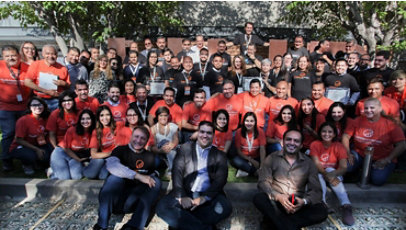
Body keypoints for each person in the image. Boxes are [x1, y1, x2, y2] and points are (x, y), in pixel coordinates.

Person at [156, 121, 232, 230]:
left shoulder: (219, 155)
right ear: (197, 133)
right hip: (187, 191)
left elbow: (220, 180)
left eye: (209, 133)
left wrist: (204, 198)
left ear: (213, 136)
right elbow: (177, 172)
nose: (205, 135)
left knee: (225, 208)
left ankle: (182, 223)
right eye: (202, 132)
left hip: (208, 193)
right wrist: (182, 196)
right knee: (162, 207)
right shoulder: (185, 149)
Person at [253, 129, 328, 230]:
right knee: (259, 198)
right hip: (277, 201)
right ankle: (289, 225)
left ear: (301, 145)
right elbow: (263, 183)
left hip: (297, 203)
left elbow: (316, 191)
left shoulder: (309, 163)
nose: (292, 143)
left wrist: (304, 201)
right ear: (283, 142)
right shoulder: (271, 158)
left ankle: (276, 223)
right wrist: (278, 196)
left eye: (296, 141)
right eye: (289, 139)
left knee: (322, 211)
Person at [93, 126, 161, 230]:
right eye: (136, 136)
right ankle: (102, 225)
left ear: (147, 141)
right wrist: (138, 176)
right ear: (131, 137)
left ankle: (134, 226)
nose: (138, 140)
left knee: (156, 182)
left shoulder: (150, 157)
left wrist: (151, 177)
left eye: (142, 138)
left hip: (132, 201)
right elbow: (112, 166)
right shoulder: (120, 150)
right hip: (115, 200)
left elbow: (154, 174)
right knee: (114, 179)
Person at [343, 98, 406, 185]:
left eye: (372, 108)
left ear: (380, 109)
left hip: (382, 157)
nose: (368, 110)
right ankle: (358, 170)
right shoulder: (357, 121)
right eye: (366, 108)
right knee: (345, 166)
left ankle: (369, 171)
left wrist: (387, 159)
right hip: (360, 154)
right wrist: (347, 153)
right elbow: (346, 136)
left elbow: (402, 145)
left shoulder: (391, 125)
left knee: (378, 180)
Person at [309, 122, 354, 226]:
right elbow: (316, 164)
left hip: (334, 174)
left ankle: (346, 205)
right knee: (319, 174)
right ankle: (322, 204)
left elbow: (343, 167)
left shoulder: (339, 146)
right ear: (320, 133)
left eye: (330, 132)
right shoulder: (315, 144)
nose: (327, 134)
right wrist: (327, 176)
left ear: (334, 134)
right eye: (324, 131)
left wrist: (331, 175)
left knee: (330, 170)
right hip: (320, 173)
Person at [0, 45, 31, 171]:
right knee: (9, 133)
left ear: (19, 55)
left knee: (25, 134)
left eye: (13, 55)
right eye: (7, 56)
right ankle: (6, 160)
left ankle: (25, 159)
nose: (10, 58)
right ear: (3, 57)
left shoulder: (27, 67)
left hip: (24, 106)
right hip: (5, 108)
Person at [10, 97, 52, 175]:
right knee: (30, 156)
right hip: (21, 146)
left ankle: (38, 163)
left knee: (47, 155)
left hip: (38, 144)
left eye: (40, 104)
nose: (38, 107)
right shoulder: (23, 120)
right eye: (34, 105)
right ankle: (26, 164)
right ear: (29, 107)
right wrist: (36, 149)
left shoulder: (46, 118)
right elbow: (18, 139)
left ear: (44, 106)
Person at [50, 109, 95, 180]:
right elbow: (66, 148)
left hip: (74, 155)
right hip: (62, 152)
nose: (85, 121)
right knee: (64, 178)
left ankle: (64, 168)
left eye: (88, 118)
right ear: (79, 120)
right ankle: (52, 172)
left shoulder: (94, 132)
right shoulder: (72, 130)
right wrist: (78, 159)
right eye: (82, 119)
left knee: (77, 177)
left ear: (92, 120)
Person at [25, 44, 71, 111]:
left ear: (57, 55)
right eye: (48, 54)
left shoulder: (62, 68)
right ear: (43, 54)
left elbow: (68, 86)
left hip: (56, 100)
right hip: (40, 99)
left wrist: (63, 84)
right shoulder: (36, 65)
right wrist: (45, 91)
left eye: (53, 54)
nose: (51, 56)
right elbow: (27, 82)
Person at [83, 106, 118, 179]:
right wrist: (111, 152)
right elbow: (93, 154)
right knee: (90, 174)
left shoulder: (117, 126)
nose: (105, 118)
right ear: (98, 117)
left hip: (113, 159)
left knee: (103, 176)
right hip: (103, 157)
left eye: (107, 115)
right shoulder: (96, 131)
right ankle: (85, 167)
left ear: (111, 116)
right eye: (102, 115)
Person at [231, 112, 266, 176]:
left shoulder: (260, 131)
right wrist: (251, 160)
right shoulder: (239, 132)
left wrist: (262, 166)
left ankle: (247, 171)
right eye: (247, 121)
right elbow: (239, 151)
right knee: (235, 160)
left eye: (251, 121)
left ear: (255, 122)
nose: (249, 123)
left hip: (256, 157)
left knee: (266, 161)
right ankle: (254, 172)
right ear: (243, 122)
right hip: (244, 158)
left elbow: (262, 149)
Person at [151, 106, 179, 175]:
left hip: (171, 150)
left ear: (168, 116)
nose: (163, 118)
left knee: (171, 151)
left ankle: (172, 171)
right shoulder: (153, 129)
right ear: (157, 116)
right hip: (159, 153)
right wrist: (161, 150)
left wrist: (171, 145)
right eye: (161, 115)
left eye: (165, 115)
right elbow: (153, 147)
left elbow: (176, 139)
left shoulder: (173, 126)